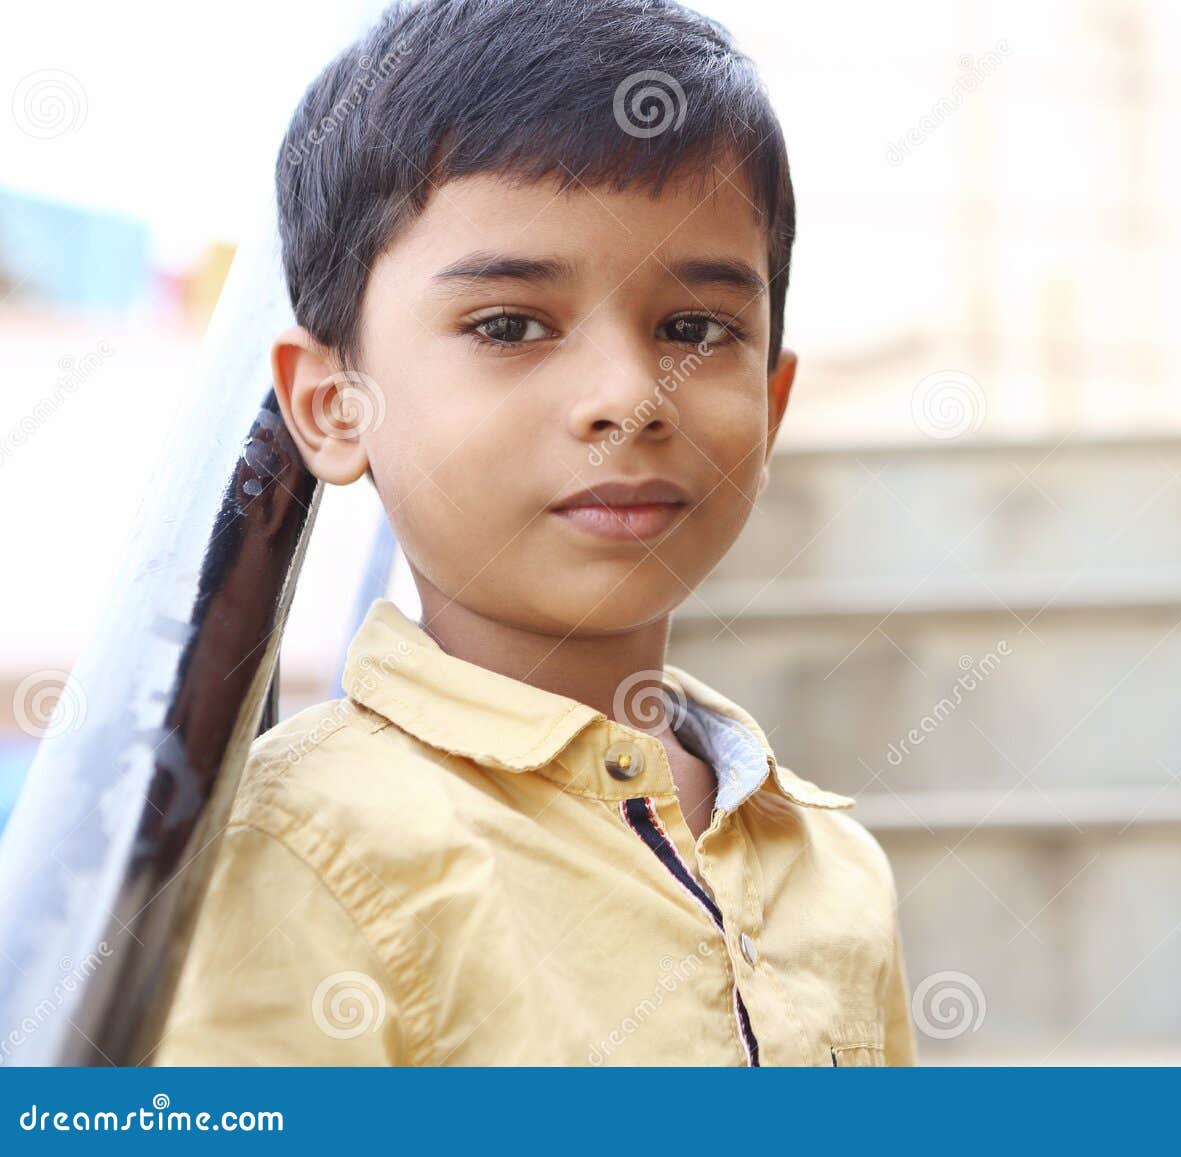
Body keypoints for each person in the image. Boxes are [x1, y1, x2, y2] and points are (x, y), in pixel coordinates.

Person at [149, 0, 916, 1066]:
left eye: (694, 329)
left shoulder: (831, 862)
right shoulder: (301, 855)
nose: (630, 399)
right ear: (331, 405)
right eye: (509, 325)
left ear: (773, 404)